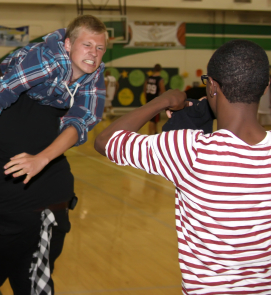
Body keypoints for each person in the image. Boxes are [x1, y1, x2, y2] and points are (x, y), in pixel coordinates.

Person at [94, 39, 271, 294]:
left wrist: (162, 101)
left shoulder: (189, 150)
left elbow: (105, 141)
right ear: (264, 87)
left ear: (211, 86)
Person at [0, 15, 107, 294]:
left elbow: (81, 122)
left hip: (45, 111)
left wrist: (42, 158)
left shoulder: (94, 71)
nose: (94, 54)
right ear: (69, 43)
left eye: (100, 48)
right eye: (87, 45)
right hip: (8, 92)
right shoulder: (46, 61)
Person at [143, 64, 165, 134]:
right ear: (160, 70)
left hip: (149, 100)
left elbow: (144, 89)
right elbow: (162, 91)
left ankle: (156, 132)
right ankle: (149, 135)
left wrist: (146, 97)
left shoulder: (148, 78)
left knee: (154, 118)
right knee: (152, 120)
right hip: (155, 101)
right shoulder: (160, 79)